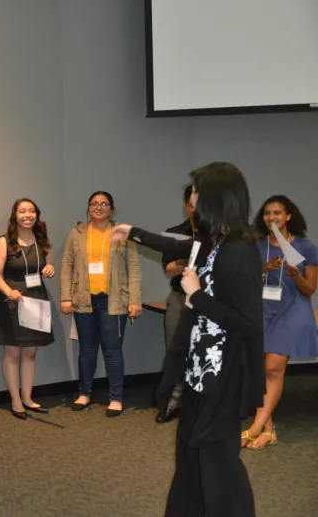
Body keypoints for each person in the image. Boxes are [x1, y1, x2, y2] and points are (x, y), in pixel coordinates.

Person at [110, 162, 263, 517]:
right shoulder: (215, 242)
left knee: (219, 463)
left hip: (223, 379)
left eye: (195, 190)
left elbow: (248, 324)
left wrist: (197, 297)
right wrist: (134, 232)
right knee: (190, 456)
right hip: (199, 375)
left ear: (214, 196)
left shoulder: (239, 251)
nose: (191, 197)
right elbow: (178, 244)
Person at [240, 195, 318, 450]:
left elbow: (309, 290)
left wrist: (295, 276)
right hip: (262, 308)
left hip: (293, 309)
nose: (271, 218)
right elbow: (244, 281)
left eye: (277, 213)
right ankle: (268, 429)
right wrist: (263, 269)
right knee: (261, 369)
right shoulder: (256, 245)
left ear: (288, 216)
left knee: (274, 367)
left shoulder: (306, 247)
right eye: (267, 213)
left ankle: (253, 428)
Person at [59, 191, 141, 417]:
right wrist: (66, 296)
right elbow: (66, 265)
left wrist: (135, 300)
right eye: (94, 204)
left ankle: (116, 398)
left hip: (113, 301)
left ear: (111, 209)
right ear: (88, 208)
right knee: (86, 351)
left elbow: (133, 267)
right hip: (84, 300)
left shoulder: (122, 232)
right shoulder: (77, 233)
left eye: (104, 204)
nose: (99, 207)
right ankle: (84, 393)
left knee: (113, 352)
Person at [0, 198, 55, 419]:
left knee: (30, 352)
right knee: (12, 354)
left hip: (37, 299)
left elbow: (44, 265)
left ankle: (28, 398)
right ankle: (15, 401)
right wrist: (8, 291)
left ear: (36, 215)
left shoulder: (42, 240)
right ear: (15, 215)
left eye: (31, 211)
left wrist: (49, 267)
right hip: (13, 301)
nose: (27, 215)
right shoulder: (4, 241)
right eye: (22, 211)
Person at [156, 184, 197, 424]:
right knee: (175, 352)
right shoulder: (174, 233)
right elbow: (170, 270)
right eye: (192, 206)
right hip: (181, 298)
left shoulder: (221, 234)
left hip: (211, 301)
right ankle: (171, 403)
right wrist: (190, 258)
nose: (196, 210)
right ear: (186, 207)